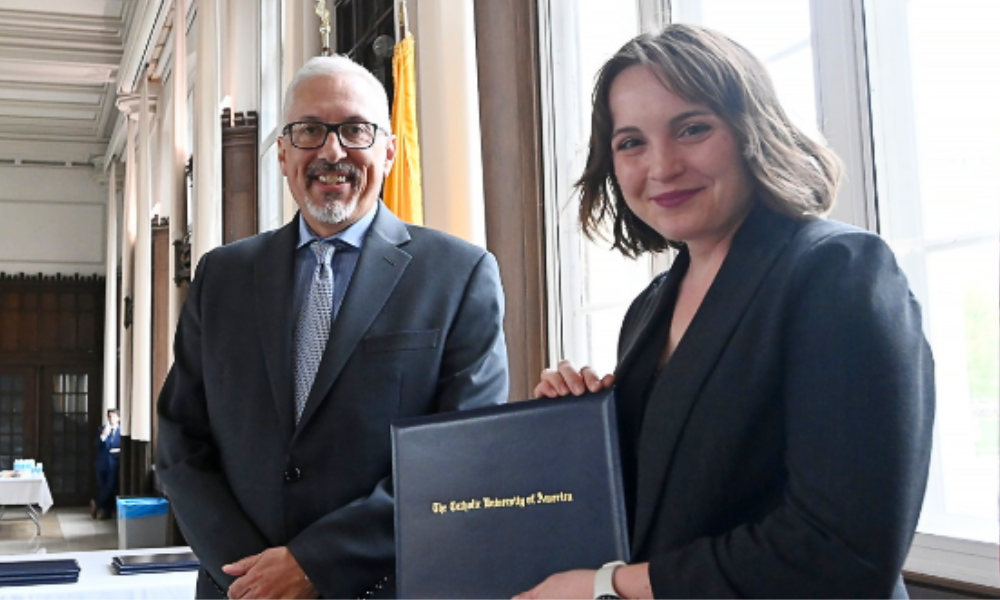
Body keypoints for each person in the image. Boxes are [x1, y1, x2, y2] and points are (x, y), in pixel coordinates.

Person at [519, 24, 934, 599]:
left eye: (692, 128)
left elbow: (840, 551)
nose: (662, 166)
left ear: (751, 132)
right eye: (631, 142)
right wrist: (572, 431)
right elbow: (670, 505)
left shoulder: (839, 272)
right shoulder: (648, 309)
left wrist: (606, 586)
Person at [156, 55, 508, 599]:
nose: (331, 150)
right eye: (309, 130)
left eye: (354, 129)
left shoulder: (459, 275)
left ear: (388, 150)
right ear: (281, 152)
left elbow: (463, 455)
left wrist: (313, 565)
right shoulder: (221, 276)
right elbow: (181, 439)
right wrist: (249, 574)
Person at [91, 408, 121, 520]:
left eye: (113, 416)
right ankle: (105, 511)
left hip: (114, 463)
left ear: (119, 418)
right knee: (102, 486)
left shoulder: (121, 432)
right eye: (109, 416)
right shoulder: (102, 429)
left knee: (110, 486)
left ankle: (96, 504)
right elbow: (96, 445)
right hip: (101, 462)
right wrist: (103, 436)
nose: (111, 419)